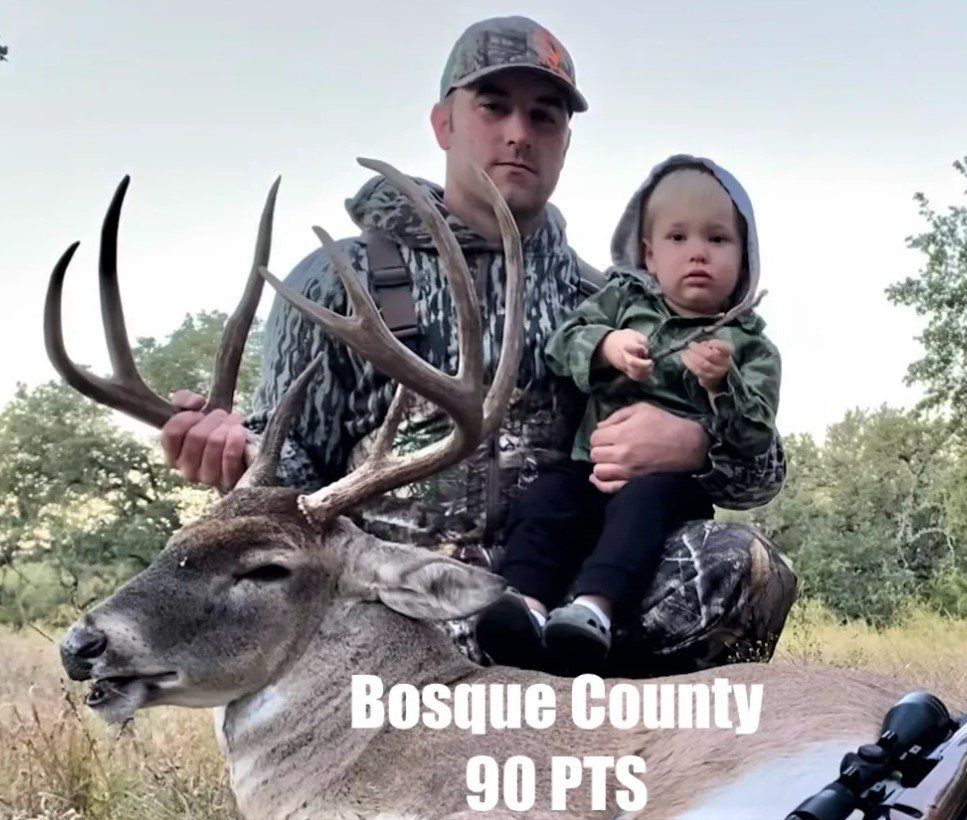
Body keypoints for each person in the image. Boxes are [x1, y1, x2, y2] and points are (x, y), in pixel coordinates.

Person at [159, 16, 796, 676]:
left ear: (564, 142)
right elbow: (292, 473)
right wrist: (236, 452)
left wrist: (695, 443)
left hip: (561, 591)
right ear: (444, 124)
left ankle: (629, 738)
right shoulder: (337, 279)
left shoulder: (609, 300)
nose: (518, 132)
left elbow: (759, 477)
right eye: (493, 107)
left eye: (543, 116)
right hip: (401, 592)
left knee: (740, 563)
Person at [475, 158, 781, 675]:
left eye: (718, 240)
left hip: (666, 488)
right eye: (678, 237)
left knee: (644, 510)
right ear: (649, 255)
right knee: (547, 500)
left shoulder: (752, 348)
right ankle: (525, 606)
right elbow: (562, 345)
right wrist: (606, 346)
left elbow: (757, 439)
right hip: (586, 472)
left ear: (745, 258)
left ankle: (593, 611)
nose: (698, 253)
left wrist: (719, 392)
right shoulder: (616, 301)